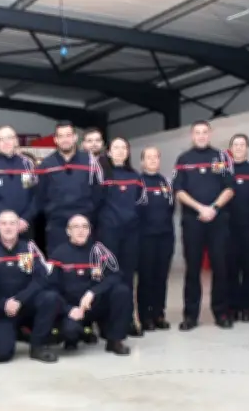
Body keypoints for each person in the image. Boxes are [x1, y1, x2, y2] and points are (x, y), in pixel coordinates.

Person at [172, 120, 235, 330]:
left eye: (204, 132)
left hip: (218, 222)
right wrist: (200, 208)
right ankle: (190, 315)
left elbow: (230, 188)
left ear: (210, 134)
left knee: (220, 268)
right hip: (193, 222)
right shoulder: (183, 159)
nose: (201, 136)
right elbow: (179, 191)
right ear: (192, 135)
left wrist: (214, 208)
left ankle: (221, 313)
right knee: (192, 269)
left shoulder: (222, 157)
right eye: (197, 132)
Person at [0, 211, 61, 363]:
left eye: (12, 223)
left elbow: (42, 278)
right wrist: (3, 303)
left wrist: (20, 299)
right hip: (2, 310)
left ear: (19, 226)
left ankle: (38, 346)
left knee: (50, 297)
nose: (8, 227)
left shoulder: (29, 249)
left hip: (26, 303)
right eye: (4, 223)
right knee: (2, 355)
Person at [49, 214, 131, 356]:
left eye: (85, 227)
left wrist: (93, 292)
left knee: (121, 291)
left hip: (96, 304)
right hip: (73, 308)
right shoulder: (59, 254)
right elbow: (52, 287)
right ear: (68, 231)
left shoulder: (99, 251)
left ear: (89, 231)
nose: (81, 231)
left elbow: (115, 275)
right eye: (76, 227)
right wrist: (68, 309)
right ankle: (81, 333)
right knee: (70, 333)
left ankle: (114, 341)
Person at [29, 121, 103, 254]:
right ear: (55, 140)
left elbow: (98, 193)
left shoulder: (90, 162)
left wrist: (89, 215)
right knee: (58, 267)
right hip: (57, 226)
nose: (65, 140)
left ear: (75, 137)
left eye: (68, 135)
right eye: (61, 136)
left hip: (84, 225)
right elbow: (40, 195)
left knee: (85, 268)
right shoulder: (46, 165)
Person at [96, 137, 145, 337]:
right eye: (116, 147)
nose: (120, 151)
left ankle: (128, 319)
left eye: (124, 147)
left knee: (127, 278)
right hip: (108, 233)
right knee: (109, 277)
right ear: (108, 152)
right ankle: (107, 322)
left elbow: (141, 204)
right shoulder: (101, 175)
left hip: (130, 234)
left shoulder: (135, 177)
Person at [137, 147, 174, 331]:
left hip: (165, 237)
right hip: (145, 238)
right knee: (146, 278)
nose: (152, 160)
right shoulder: (138, 183)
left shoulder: (166, 182)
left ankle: (159, 314)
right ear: (142, 162)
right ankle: (145, 317)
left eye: (155, 157)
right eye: (148, 157)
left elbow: (171, 208)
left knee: (161, 277)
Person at [0, 125, 36, 243]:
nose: (6, 142)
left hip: (24, 227)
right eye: (1, 139)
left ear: (16, 141)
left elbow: (33, 195)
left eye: (9, 138)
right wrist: (8, 220)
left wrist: (25, 218)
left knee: (26, 260)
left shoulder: (26, 165)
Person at [227, 134, 249, 322]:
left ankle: (247, 308)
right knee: (230, 269)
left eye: (242, 144)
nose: (239, 148)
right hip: (228, 229)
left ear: (247, 148)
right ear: (230, 148)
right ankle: (232, 307)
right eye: (235, 145)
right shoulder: (223, 170)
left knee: (248, 269)